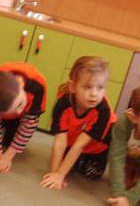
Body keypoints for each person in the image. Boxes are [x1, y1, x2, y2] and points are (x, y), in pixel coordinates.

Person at [41, 56, 116, 190]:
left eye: (100, 88)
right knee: (62, 164)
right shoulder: (63, 103)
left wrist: (61, 174)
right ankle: (77, 161)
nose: (94, 94)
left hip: (97, 148)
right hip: (73, 141)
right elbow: (60, 141)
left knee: (91, 174)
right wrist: (55, 173)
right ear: (73, 86)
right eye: (87, 87)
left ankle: (84, 160)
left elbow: (80, 145)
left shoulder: (103, 111)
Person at [0, 62, 47, 173]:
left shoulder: (38, 87)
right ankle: (4, 118)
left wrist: (8, 156)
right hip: (0, 108)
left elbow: (28, 126)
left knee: (9, 143)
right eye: (13, 110)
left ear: (20, 83)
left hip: (24, 116)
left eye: (19, 104)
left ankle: (11, 122)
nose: (18, 111)